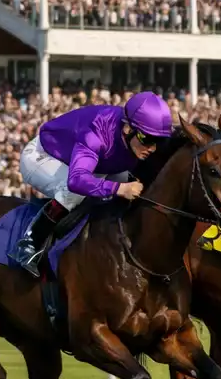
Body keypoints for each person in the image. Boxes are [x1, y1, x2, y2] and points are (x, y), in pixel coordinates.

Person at [14, 91, 174, 276]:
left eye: (159, 141)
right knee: (75, 192)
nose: (152, 148)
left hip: (92, 163)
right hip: (42, 157)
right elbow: (77, 180)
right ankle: (30, 243)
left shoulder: (135, 134)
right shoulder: (96, 134)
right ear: (127, 128)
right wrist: (119, 188)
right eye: (147, 139)